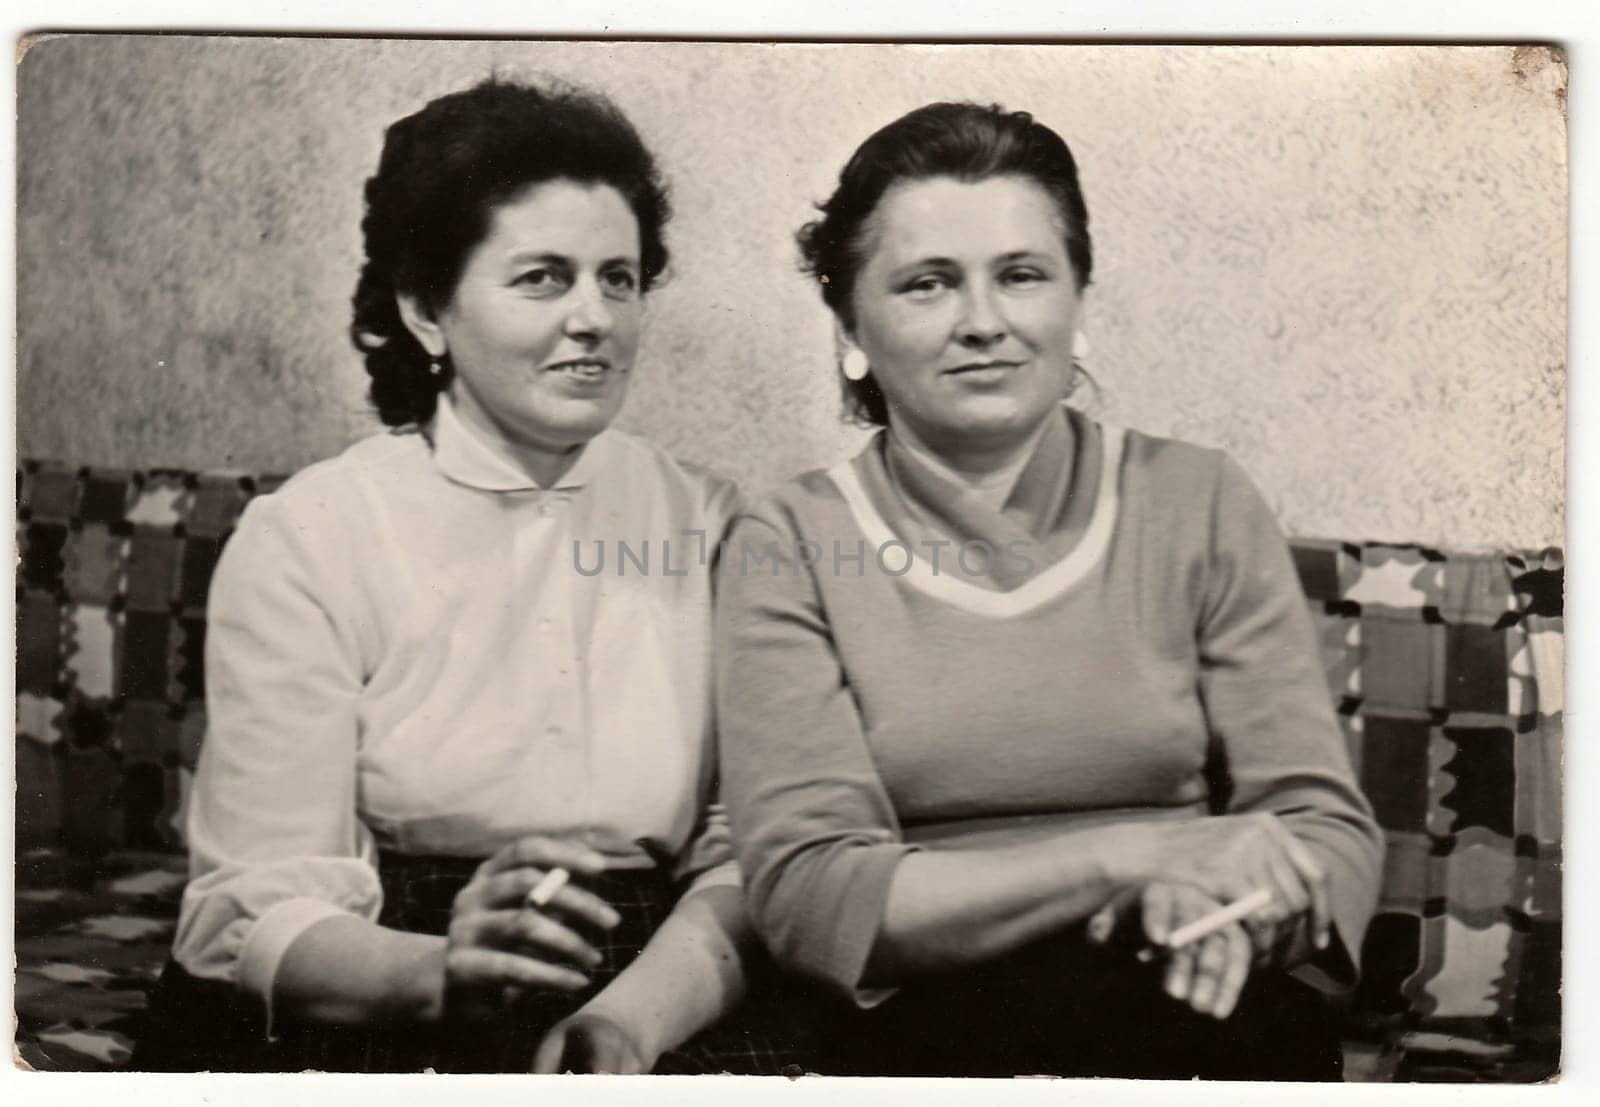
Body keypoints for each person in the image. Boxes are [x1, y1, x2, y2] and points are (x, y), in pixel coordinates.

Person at [133, 78, 798, 1075]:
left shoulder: (711, 521)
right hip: (381, 961)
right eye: (543, 278)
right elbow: (257, 913)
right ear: (426, 311)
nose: (595, 320)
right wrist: (446, 969)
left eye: (619, 279)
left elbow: (747, 849)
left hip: (661, 962)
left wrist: (629, 1022)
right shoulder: (311, 536)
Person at [715, 101, 1384, 1079]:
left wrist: (1240, 915)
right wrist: (1128, 861)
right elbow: (814, 899)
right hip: (927, 1034)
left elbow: (1321, 828)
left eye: (1021, 275)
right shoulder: (787, 540)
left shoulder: (1196, 498)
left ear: (1077, 294)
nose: (982, 321)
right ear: (849, 318)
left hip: (1200, 1008)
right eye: (926, 284)